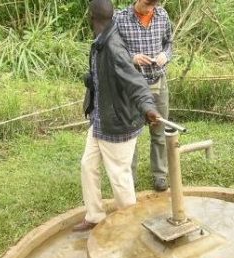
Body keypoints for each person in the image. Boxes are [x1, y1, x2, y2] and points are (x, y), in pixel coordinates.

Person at [73, 0, 161, 231]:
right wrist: (93, 80)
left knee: (120, 178)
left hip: (118, 122)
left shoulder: (113, 47)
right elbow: (108, 77)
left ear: (92, 17)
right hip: (101, 117)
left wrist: (148, 107)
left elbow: (136, 82)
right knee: (87, 165)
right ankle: (94, 216)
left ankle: (132, 226)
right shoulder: (101, 41)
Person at [115, 0, 173, 192]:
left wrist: (166, 55)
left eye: (153, 5)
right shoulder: (120, 18)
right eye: (147, 4)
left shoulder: (162, 15)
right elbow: (113, 50)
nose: (150, 8)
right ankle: (129, 179)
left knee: (159, 129)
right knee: (132, 133)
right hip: (132, 86)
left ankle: (160, 175)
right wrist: (132, 57)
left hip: (157, 82)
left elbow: (169, 43)